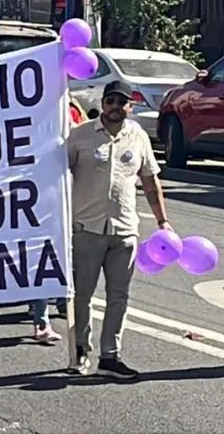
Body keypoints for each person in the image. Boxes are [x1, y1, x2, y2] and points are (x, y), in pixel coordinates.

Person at [68, 79, 170, 380]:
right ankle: (80, 351)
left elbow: (150, 181)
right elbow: (57, 178)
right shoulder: (80, 136)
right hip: (86, 228)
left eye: (121, 102)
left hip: (124, 230)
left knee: (119, 296)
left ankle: (110, 356)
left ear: (130, 105)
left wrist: (163, 221)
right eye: (110, 101)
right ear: (103, 103)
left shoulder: (137, 136)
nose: (114, 107)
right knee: (81, 295)